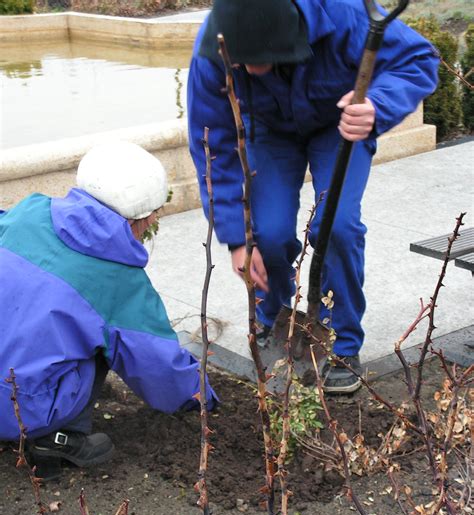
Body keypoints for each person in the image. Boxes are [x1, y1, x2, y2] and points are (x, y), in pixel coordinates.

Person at [187, 0, 439, 393]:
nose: (251, 70)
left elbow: (419, 60)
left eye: (263, 59)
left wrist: (378, 105)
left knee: (335, 226)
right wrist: (238, 238)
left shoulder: (343, 17)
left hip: (339, 125)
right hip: (268, 131)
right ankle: (275, 324)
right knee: (264, 234)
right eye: (243, 63)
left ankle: (342, 343)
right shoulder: (216, 41)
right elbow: (211, 144)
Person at [0, 141, 217, 479]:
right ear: (143, 219)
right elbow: (158, 368)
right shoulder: (118, 280)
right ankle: (55, 440)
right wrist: (201, 395)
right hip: (18, 407)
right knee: (102, 338)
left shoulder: (29, 211)